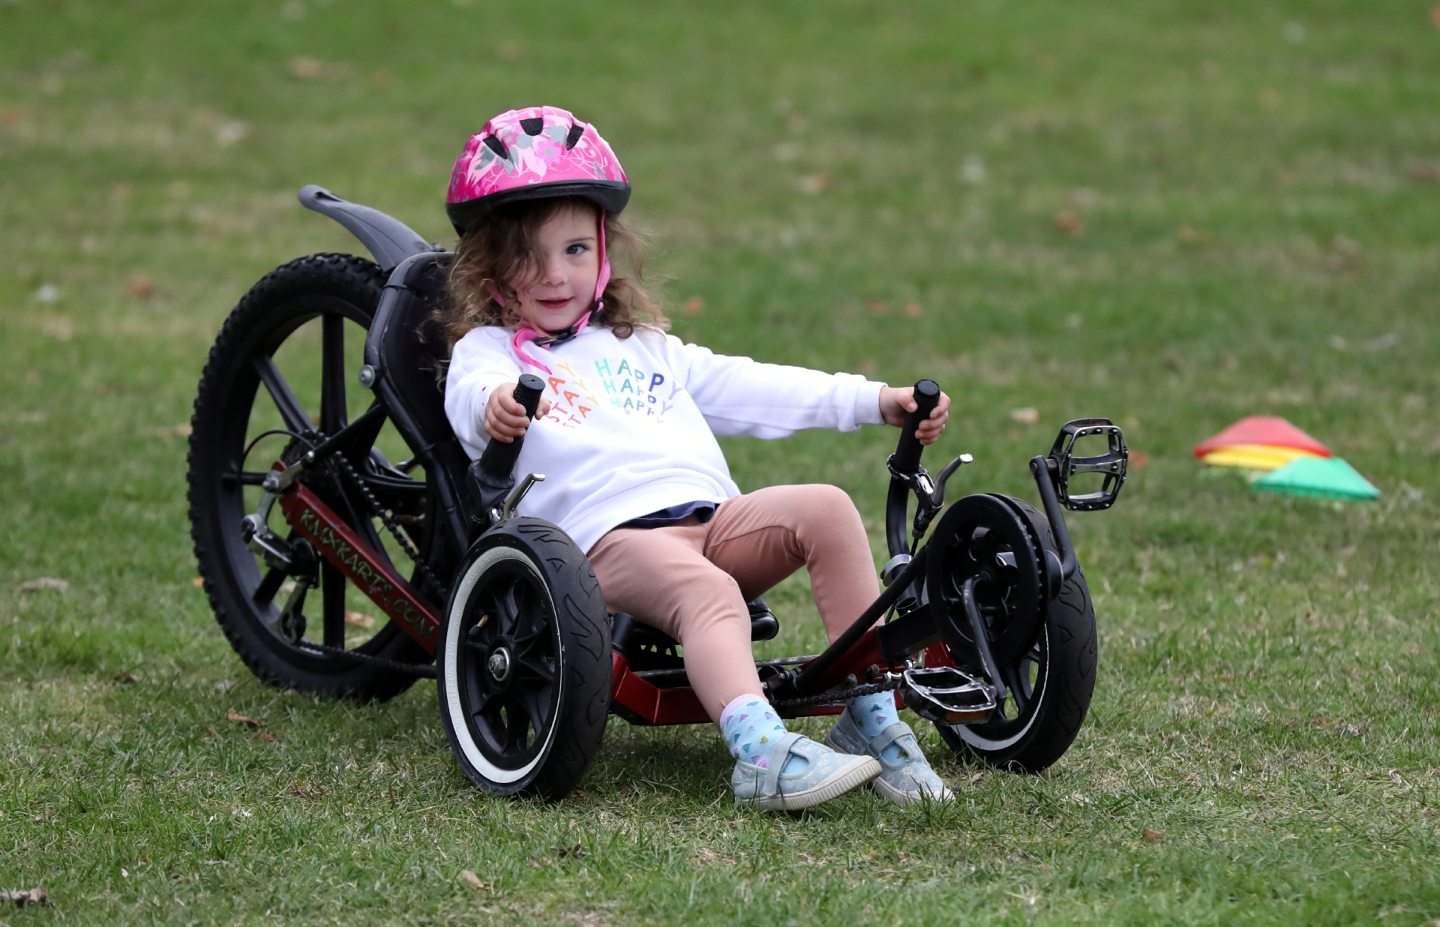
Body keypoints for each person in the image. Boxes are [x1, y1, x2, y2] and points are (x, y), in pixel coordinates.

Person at [441, 106, 953, 811]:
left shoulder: (642, 344)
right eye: (528, 256)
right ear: (491, 267)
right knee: (710, 594)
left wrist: (874, 401)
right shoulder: (487, 354)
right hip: (607, 542)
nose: (555, 275)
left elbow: (754, 385)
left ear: (603, 250)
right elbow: (469, 399)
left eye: (574, 250)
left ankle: (870, 714)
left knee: (829, 508)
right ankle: (761, 755)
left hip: (712, 520)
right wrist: (498, 405)